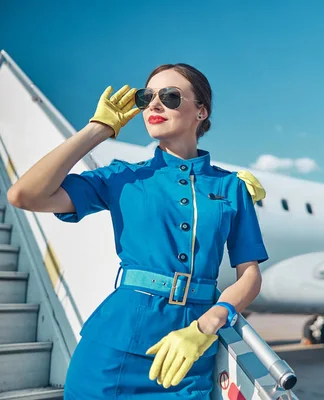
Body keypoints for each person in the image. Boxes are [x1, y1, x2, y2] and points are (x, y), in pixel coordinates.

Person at [7, 63, 269, 399]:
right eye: (147, 98)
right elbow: (24, 195)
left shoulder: (232, 187)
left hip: (187, 356)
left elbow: (250, 276)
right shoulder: (121, 177)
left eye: (170, 96)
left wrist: (207, 325)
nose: (155, 105)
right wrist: (97, 129)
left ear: (201, 111)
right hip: (112, 350)